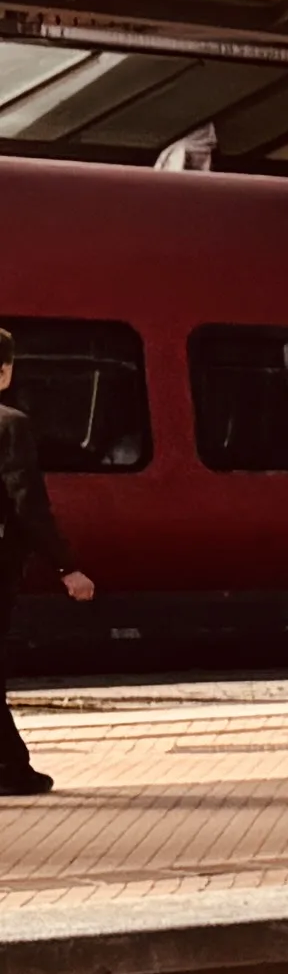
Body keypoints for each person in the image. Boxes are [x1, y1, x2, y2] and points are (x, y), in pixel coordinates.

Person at [0, 322, 95, 796]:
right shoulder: (8, 424)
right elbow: (27, 502)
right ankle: (12, 771)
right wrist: (66, 566)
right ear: (3, 370)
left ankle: (13, 769)